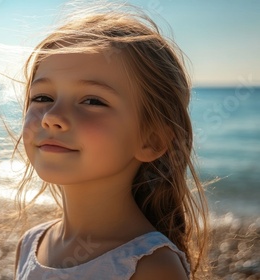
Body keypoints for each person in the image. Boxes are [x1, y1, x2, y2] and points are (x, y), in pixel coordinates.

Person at [12, 3, 209, 279]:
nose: (52, 116)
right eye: (42, 97)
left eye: (92, 100)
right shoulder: (31, 244)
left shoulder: (150, 267)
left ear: (151, 140)